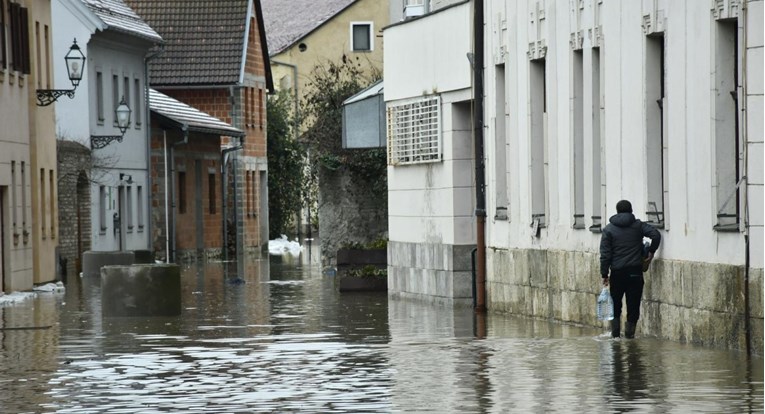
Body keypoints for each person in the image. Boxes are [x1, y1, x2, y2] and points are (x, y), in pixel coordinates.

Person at [600, 200, 661, 338]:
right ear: (631, 210)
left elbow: (605, 254)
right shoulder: (638, 226)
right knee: (633, 305)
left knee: (615, 304)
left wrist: (604, 274)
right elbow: (656, 235)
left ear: (617, 211)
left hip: (617, 273)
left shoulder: (609, 229)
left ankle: (615, 337)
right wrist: (651, 251)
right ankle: (630, 338)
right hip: (635, 273)